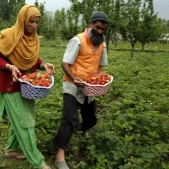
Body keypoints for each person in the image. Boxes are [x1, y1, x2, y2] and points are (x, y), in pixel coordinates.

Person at [0, 5, 55, 169]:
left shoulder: (33, 39)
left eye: (37, 23)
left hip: (29, 86)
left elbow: (31, 58)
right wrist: (9, 66)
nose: (34, 26)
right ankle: (38, 161)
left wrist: (43, 65)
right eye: (31, 22)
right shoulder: (9, 36)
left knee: (22, 120)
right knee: (25, 123)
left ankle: (11, 150)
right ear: (23, 20)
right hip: (11, 86)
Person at [53, 11, 109, 169]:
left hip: (89, 87)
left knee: (91, 118)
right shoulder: (78, 40)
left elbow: (100, 67)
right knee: (70, 118)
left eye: (103, 29)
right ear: (90, 24)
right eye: (97, 27)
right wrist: (73, 77)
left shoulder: (102, 44)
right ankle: (59, 155)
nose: (100, 31)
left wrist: (99, 79)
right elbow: (65, 63)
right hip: (72, 84)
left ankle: (80, 129)